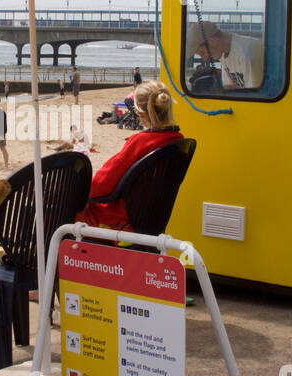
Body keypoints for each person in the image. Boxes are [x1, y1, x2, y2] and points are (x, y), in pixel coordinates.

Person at [75, 80, 182, 231]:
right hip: (149, 217)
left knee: (58, 207)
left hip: (119, 220)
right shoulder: (177, 139)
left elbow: (102, 183)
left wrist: (77, 193)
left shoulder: (141, 142)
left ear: (140, 113)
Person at [186, 20, 263, 91]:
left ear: (212, 41)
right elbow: (229, 88)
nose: (205, 59)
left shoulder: (247, 54)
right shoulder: (224, 54)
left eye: (202, 53)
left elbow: (255, 96)